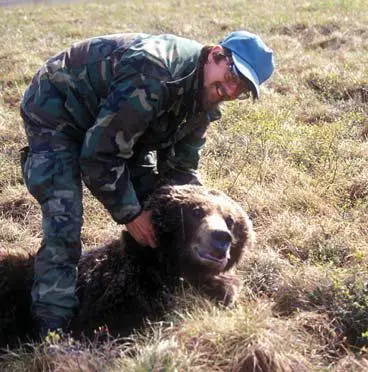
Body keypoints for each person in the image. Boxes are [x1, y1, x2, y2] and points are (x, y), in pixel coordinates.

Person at [20, 30, 275, 336]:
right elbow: (99, 156)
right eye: (232, 75)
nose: (230, 91)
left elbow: (180, 173)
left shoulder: (204, 98)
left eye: (242, 89)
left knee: (158, 206)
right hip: (58, 111)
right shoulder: (153, 72)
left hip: (116, 124)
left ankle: (154, 283)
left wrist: (203, 215)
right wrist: (129, 214)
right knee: (65, 220)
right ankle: (51, 330)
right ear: (215, 54)